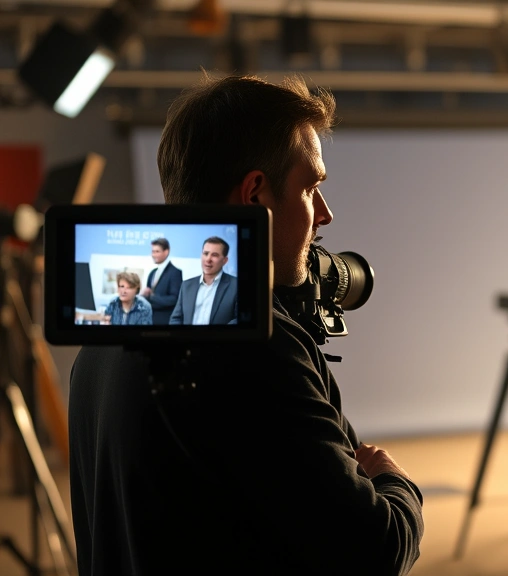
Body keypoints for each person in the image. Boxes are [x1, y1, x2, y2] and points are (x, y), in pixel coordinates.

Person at [68, 75, 423, 575]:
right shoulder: (256, 346)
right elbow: (375, 549)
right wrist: (392, 481)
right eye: (311, 186)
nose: (325, 214)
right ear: (256, 193)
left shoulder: (101, 340)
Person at [168, 236, 238, 325]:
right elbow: (176, 319)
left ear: (224, 260)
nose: (208, 259)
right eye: (206, 253)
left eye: (214, 255)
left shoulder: (235, 286)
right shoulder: (186, 285)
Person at [142, 237, 183, 325]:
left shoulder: (175, 272)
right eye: (153, 251)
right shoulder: (152, 273)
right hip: (149, 320)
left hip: (166, 321)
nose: (154, 254)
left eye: (157, 251)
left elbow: (174, 299)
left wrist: (151, 297)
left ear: (166, 252)